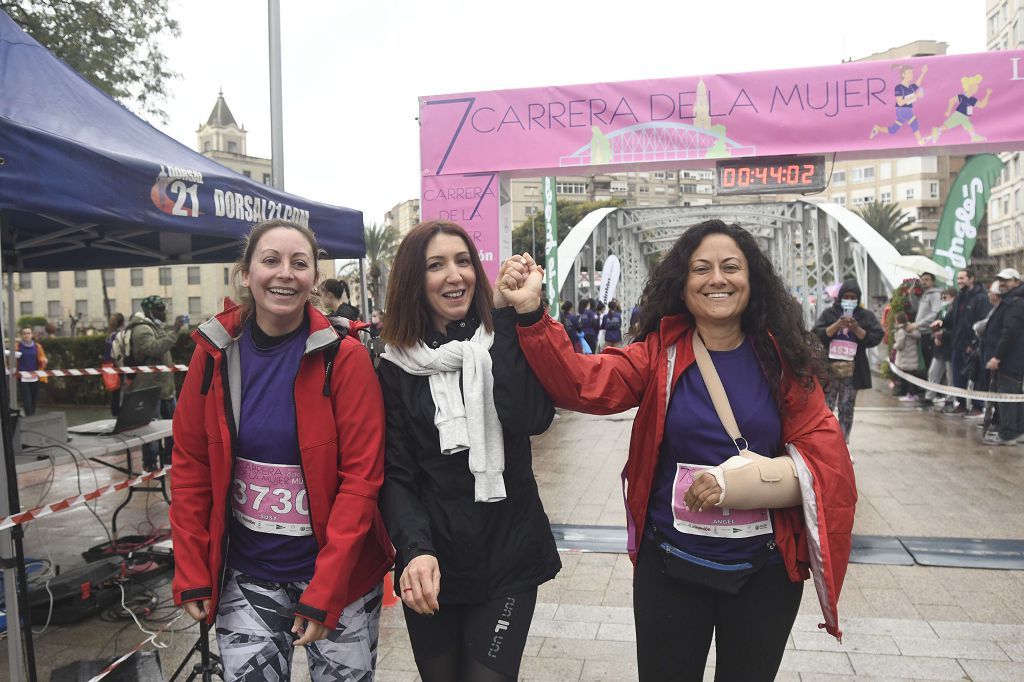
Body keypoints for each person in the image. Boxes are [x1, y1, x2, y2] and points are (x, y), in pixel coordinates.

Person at [500, 220, 855, 681]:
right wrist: (531, 312)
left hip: (764, 572)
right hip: (670, 567)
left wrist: (737, 484)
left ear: (753, 280)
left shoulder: (782, 361)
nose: (717, 279)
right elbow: (582, 384)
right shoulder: (657, 357)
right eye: (700, 268)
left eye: (731, 267)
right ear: (682, 285)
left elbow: (828, 460)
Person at [170, 219, 393, 680]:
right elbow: (190, 464)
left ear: (313, 278)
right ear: (246, 273)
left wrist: (326, 588)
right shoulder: (215, 352)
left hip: (341, 577)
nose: (285, 273)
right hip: (249, 576)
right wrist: (193, 568)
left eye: (299, 263)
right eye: (270, 261)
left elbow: (361, 480)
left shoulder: (344, 356)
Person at [377, 220, 560, 682]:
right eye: (435, 265)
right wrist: (415, 550)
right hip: (431, 559)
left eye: (463, 261)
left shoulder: (501, 335)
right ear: (413, 282)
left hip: (508, 551)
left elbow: (532, 418)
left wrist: (513, 318)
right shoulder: (393, 365)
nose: (454, 275)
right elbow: (396, 473)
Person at [812, 280, 885, 445]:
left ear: (858, 298)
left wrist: (857, 329)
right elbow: (816, 335)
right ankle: (824, 443)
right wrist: (837, 325)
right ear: (840, 297)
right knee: (825, 408)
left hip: (853, 371)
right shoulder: (829, 314)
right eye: (846, 297)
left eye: (853, 297)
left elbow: (876, 336)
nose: (849, 300)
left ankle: (843, 444)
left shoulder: (865, 316)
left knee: (847, 408)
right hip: (829, 370)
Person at [125, 295, 187, 471]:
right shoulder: (142, 329)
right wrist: (174, 331)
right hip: (150, 388)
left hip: (165, 388)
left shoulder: (154, 327)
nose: (164, 312)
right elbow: (154, 348)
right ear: (149, 311)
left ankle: (169, 460)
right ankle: (150, 464)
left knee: (173, 427)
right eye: (160, 309)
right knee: (151, 430)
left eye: (163, 308)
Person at [938, 268, 991, 416]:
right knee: (958, 377)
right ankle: (961, 404)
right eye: (958, 278)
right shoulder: (960, 297)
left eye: (962, 278)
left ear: (972, 279)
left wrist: (973, 344)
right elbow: (951, 318)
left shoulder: (981, 298)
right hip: (958, 345)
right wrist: (941, 323)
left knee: (976, 377)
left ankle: (978, 407)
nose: (959, 281)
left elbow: (983, 323)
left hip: (973, 347)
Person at [983, 268, 1024, 445]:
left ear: (1017, 281)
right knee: (1014, 397)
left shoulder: (1015, 302)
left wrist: (998, 357)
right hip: (1011, 358)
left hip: (1009, 359)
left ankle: (1008, 434)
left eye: (1006, 280)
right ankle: (1017, 432)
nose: (1002, 283)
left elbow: (1010, 332)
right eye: (1000, 280)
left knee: (1008, 397)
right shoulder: (1011, 300)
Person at [926, 288, 958, 409]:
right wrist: (935, 336)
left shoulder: (955, 311)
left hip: (950, 347)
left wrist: (943, 335)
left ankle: (950, 400)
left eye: (945, 298)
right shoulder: (942, 311)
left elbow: (956, 330)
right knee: (933, 372)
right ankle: (929, 396)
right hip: (939, 348)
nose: (943, 301)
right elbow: (936, 325)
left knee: (950, 375)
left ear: (952, 297)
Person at [16, 327, 47, 416]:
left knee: (33, 398)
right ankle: (29, 417)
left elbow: (42, 357)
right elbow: (10, 360)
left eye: (28, 333)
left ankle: (32, 416)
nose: (26, 335)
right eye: (24, 333)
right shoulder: (17, 346)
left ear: (31, 335)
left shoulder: (37, 346)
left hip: (35, 376)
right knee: (26, 399)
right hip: (23, 377)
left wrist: (43, 361)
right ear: (21, 335)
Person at [893, 312, 924, 400]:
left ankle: (909, 394)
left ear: (897, 321)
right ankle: (913, 394)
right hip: (913, 358)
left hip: (904, 359)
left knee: (905, 378)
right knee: (912, 378)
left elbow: (900, 345)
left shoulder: (900, 331)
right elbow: (918, 335)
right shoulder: (912, 328)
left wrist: (894, 346)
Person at [102, 313, 125, 416]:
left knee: (114, 392)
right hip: (116, 365)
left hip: (107, 365)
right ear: (123, 323)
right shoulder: (119, 335)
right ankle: (119, 413)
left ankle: (115, 413)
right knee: (120, 391)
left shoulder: (110, 335)